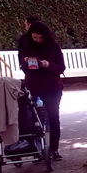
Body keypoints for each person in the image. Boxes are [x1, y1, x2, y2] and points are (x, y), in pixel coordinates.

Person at [19, 20, 66, 161]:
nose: (38, 40)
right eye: (35, 38)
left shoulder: (54, 46)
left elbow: (61, 68)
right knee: (35, 120)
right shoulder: (27, 46)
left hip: (52, 87)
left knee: (53, 118)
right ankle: (37, 151)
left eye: (41, 38)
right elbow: (23, 66)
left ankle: (54, 150)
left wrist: (48, 65)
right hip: (34, 86)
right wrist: (27, 63)